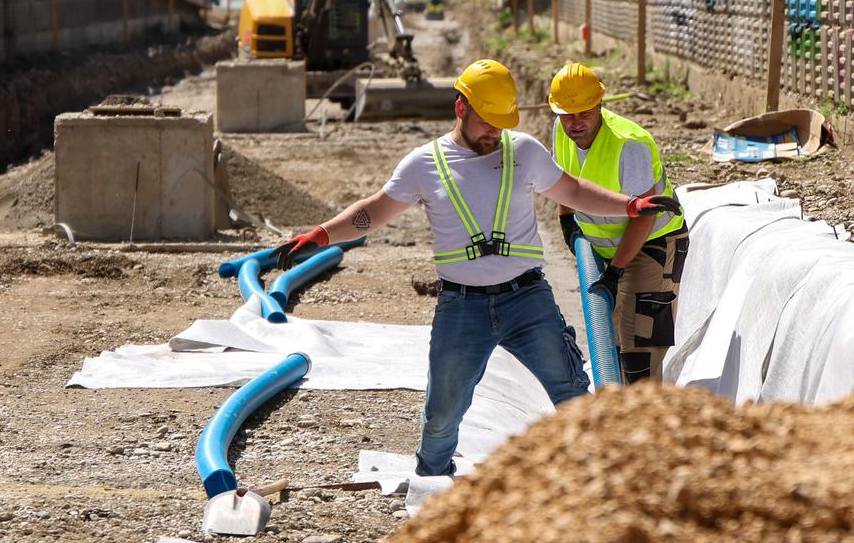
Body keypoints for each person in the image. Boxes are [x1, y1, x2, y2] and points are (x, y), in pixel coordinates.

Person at [274, 58, 681, 476]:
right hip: (462, 308)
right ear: (461, 108)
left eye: (501, 123)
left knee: (572, 392)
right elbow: (375, 211)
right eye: (487, 122)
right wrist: (321, 234)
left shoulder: (523, 151)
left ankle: (602, 480)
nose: (494, 132)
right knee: (442, 414)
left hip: (527, 300)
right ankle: (433, 479)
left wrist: (629, 206)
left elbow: (573, 191)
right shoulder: (424, 164)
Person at [547, 62, 690, 386]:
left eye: (584, 113)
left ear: (599, 104)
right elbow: (564, 179)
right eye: (567, 114)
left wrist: (615, 272)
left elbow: (645, 216)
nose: (575, 122)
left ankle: (645, 412)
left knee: (639, 350)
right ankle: (617, 409)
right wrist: (566, 219)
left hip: (653, 242)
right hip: (607, 247)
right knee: (610, 344)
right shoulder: (561, 129)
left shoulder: (629, 144)